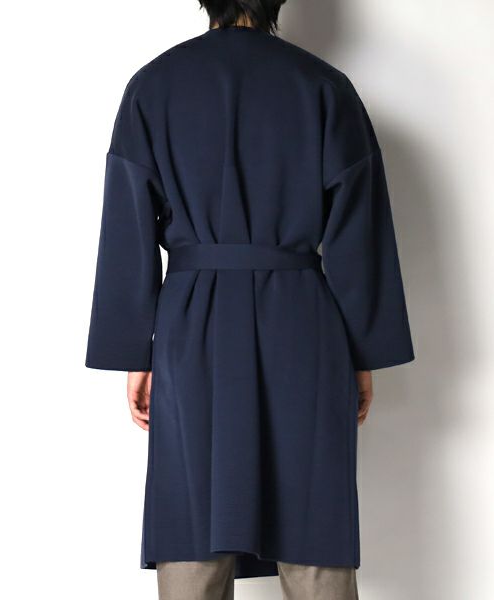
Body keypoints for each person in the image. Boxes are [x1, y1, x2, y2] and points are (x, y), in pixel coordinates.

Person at [85, 1, 414, 598]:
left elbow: (127, 225)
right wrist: (362, 351)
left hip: (191, 325)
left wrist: (137, 351)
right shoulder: (324, 86)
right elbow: (358, 232)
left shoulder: (153, 85)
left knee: (192, 511)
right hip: (302, 322)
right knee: (312, 513)